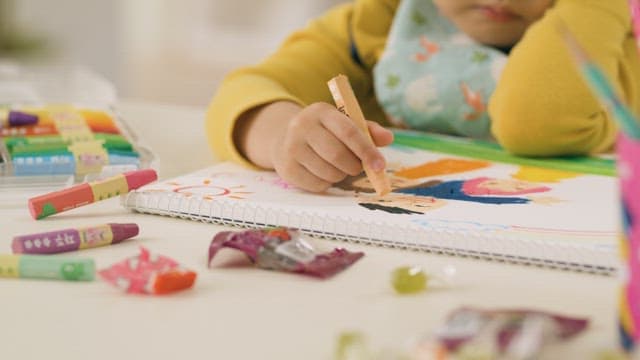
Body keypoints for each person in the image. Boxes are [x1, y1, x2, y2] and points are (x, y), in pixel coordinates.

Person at [206, 0, 639, 193]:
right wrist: (283, 134)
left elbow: (536, 121)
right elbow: (242, 93)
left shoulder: (611, 42)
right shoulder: (380, 21)